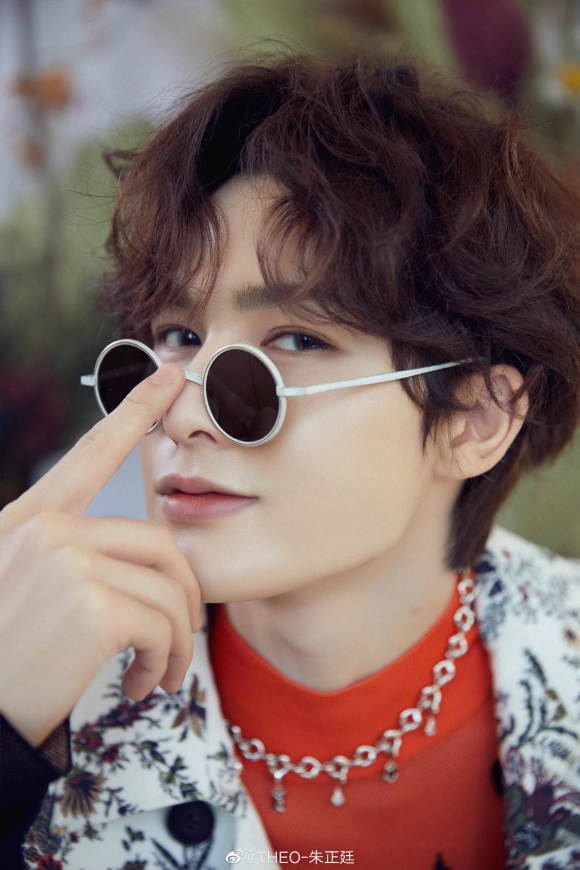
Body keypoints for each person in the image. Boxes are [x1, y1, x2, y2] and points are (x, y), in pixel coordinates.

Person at [1, 51, 579, 870]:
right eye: (177, 336)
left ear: (476, 419)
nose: (186, 414)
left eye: (296, 340)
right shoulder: (38, 679)